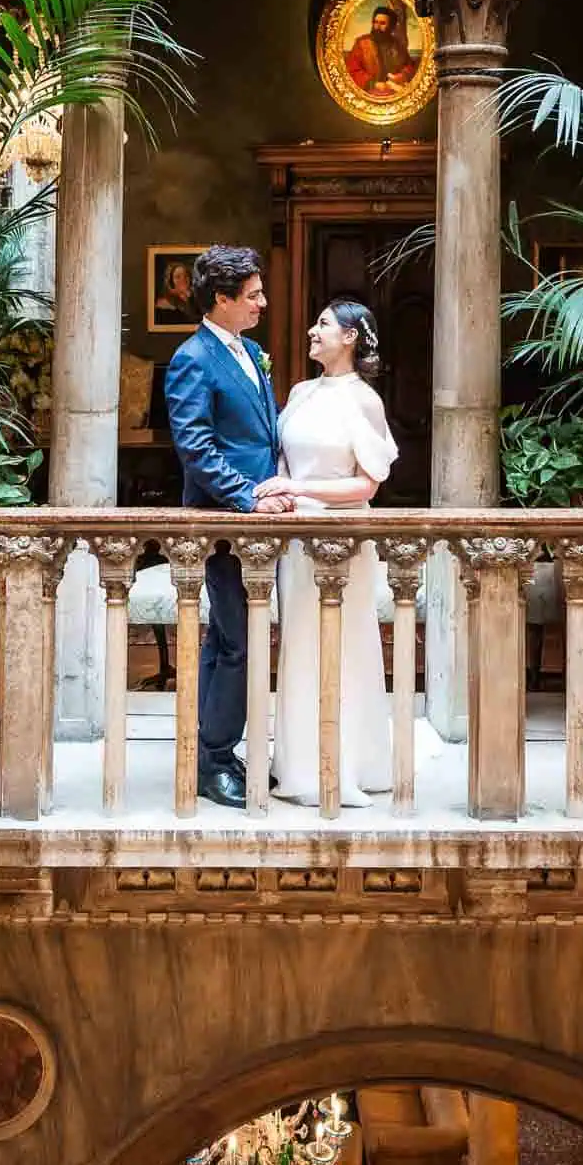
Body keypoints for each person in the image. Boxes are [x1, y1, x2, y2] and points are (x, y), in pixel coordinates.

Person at [163, 245, 294, 809]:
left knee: (229, 638)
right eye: (253, 295)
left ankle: (213, 750)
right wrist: (247, 500)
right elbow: (196, 447)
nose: (263, 303)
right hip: (221, 524)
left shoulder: (253, 351)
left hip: (257, 522)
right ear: (221, 299)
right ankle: (213, 759)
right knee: (238, 642)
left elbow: (260, 437)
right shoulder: (192, 358)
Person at [271, 299, 397, 806]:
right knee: (298, 640)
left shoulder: (364, 400)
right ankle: (297, 761)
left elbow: (368, 485)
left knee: (342, 642)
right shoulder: (300, 393)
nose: (311, 329)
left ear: (350, 337)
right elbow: (283, 458)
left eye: (322, 324)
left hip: (342, 536)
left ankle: (346, 760)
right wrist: (283, 492)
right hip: (296, 537)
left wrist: (299, 491)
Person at [346, 2, 418, 96]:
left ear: (391, 26)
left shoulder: (398, 44)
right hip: (369, 92)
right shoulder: (361, 43)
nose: (377, 27)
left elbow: (409, 65)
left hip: (395, 90)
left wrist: (402, 76)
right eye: (375, 22)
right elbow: (352, 70)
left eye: (382, 23)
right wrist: (373, 84)